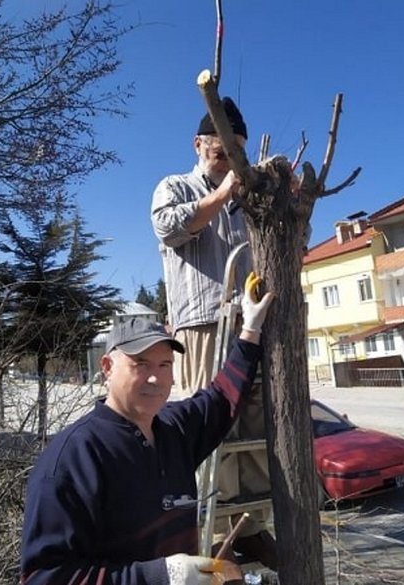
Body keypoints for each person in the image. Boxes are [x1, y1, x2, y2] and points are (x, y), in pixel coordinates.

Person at [19, 274, 274, 585]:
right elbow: (44, 578)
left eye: (164, 365)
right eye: (141, 364)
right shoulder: (73, 459)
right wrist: (160, 576)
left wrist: (250, 329)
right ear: (107, 368)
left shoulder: (174, 430)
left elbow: (221, 397)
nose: (155, 379)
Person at [150, 97, 278, 569]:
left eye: (236, 152)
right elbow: (167, 227)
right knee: (209, 419)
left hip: (250, 320)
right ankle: (215, 527)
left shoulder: (250, 197)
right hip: (202, 323)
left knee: (253, 425)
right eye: (221, 150)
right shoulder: (175, 186)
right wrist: (222, 193)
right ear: (198, 144)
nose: (228, 159)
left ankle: (253, 527)